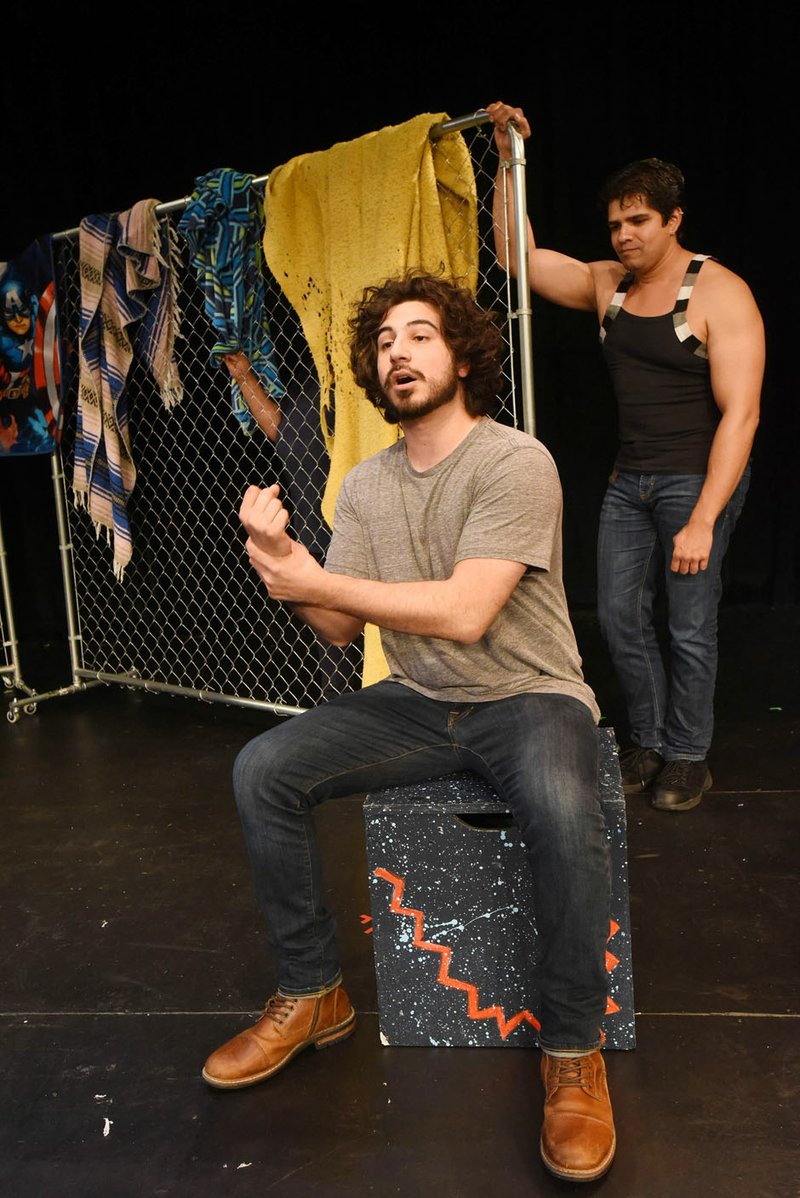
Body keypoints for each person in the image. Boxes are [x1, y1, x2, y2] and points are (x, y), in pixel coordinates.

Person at [203, 271, 616, 1184]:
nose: (398, 353)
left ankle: (573, 1050)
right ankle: (315, 996)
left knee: (560, 805)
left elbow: (469, 612)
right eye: (385, 341)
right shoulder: (364, 486)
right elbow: (342, 627)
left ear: (462, 355)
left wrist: (316, 582)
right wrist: (287, 564)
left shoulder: (515, 461)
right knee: (263, 767)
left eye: (420, 336)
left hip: (527, 693)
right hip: (421, 701)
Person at [486, 101, 764, 812]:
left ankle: (688, 756)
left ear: (673, 219)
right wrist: (505, 153)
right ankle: (647, 741)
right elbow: (514, 257)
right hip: (628, 483)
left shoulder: (718, 291)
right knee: (616, 617)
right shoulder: (608, 284)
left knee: (688, 625)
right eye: (615, 223)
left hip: (698, 482)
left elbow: (742, 415)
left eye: (638, 221)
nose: (624, 234)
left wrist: (705, 516)